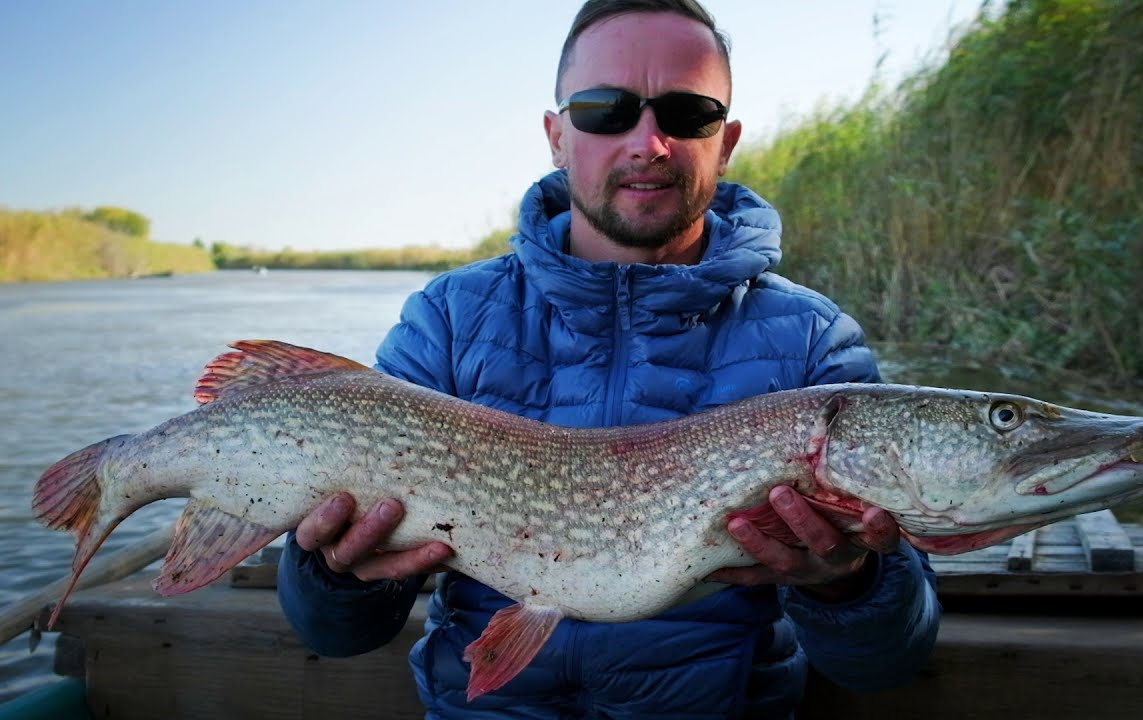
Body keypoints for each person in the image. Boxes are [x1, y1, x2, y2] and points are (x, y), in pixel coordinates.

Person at [277, 1, 941, 717]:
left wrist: (848, 584)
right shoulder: (448, 320)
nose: (649, 143)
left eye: (688, 113)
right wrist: (332, 574)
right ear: (558, 136)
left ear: (726, 141)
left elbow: (887, 661)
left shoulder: (813, 340)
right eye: (605, 109)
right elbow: (335, 634)